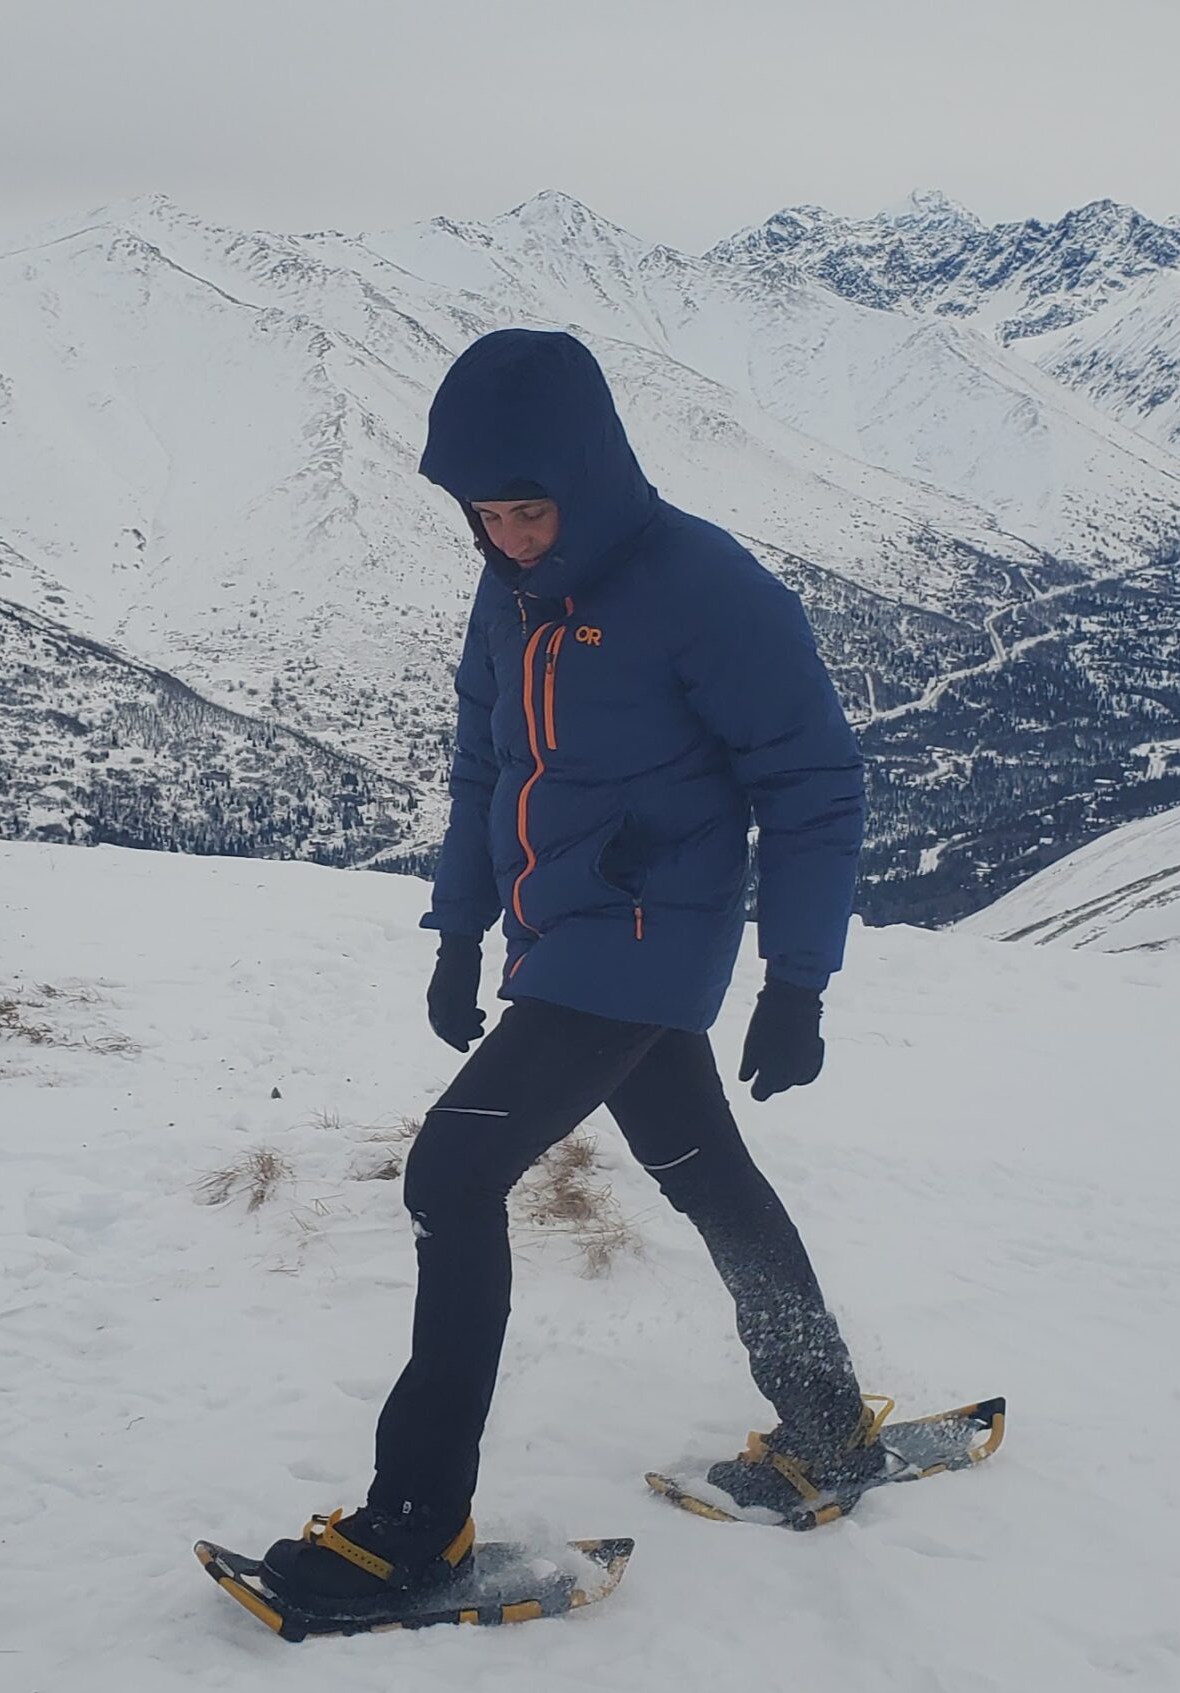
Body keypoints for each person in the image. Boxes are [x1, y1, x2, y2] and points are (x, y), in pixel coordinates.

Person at [259, 329, 880, 1611]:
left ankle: (410, 1529)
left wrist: (799, 979)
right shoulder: (510, 590)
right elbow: (486, 767)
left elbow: (812, 786)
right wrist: (456, 931)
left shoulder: (709, 589)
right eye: (486, 517)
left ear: (589, 483)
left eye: (530, 513)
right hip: (561, 935)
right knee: (704, 1172)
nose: (510, 538)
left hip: (648, 940)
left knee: (449, 1174)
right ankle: (827, 1423)